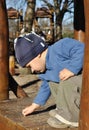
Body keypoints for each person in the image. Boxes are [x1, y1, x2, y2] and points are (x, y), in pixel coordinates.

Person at [14, 32, 84, 128]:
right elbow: (45, 88)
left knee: (67, 80)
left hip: (85, 86)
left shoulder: (60, 47)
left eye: (30, 66)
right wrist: (34, 105)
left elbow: (83, 49)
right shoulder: (46, 70)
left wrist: (72, 69)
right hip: (79, 95)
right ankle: (64, 111)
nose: (33, 70)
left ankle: (73, 119)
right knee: (52, 83)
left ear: (37, 54)